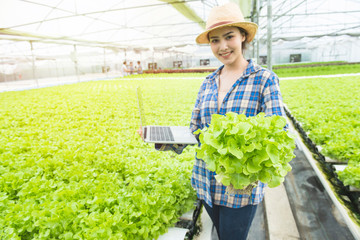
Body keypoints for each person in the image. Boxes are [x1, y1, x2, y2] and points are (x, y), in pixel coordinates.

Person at [138, 3, 285, 240]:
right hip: (205, 183)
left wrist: (241, 158)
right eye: (215, 40)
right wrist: (161, 140)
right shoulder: (207, 83)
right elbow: (196, 131)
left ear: (243, 37)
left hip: (239, 189)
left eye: (229, 37)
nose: (223, 46)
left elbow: (279, 132)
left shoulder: (264, 79)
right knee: (220, 234)